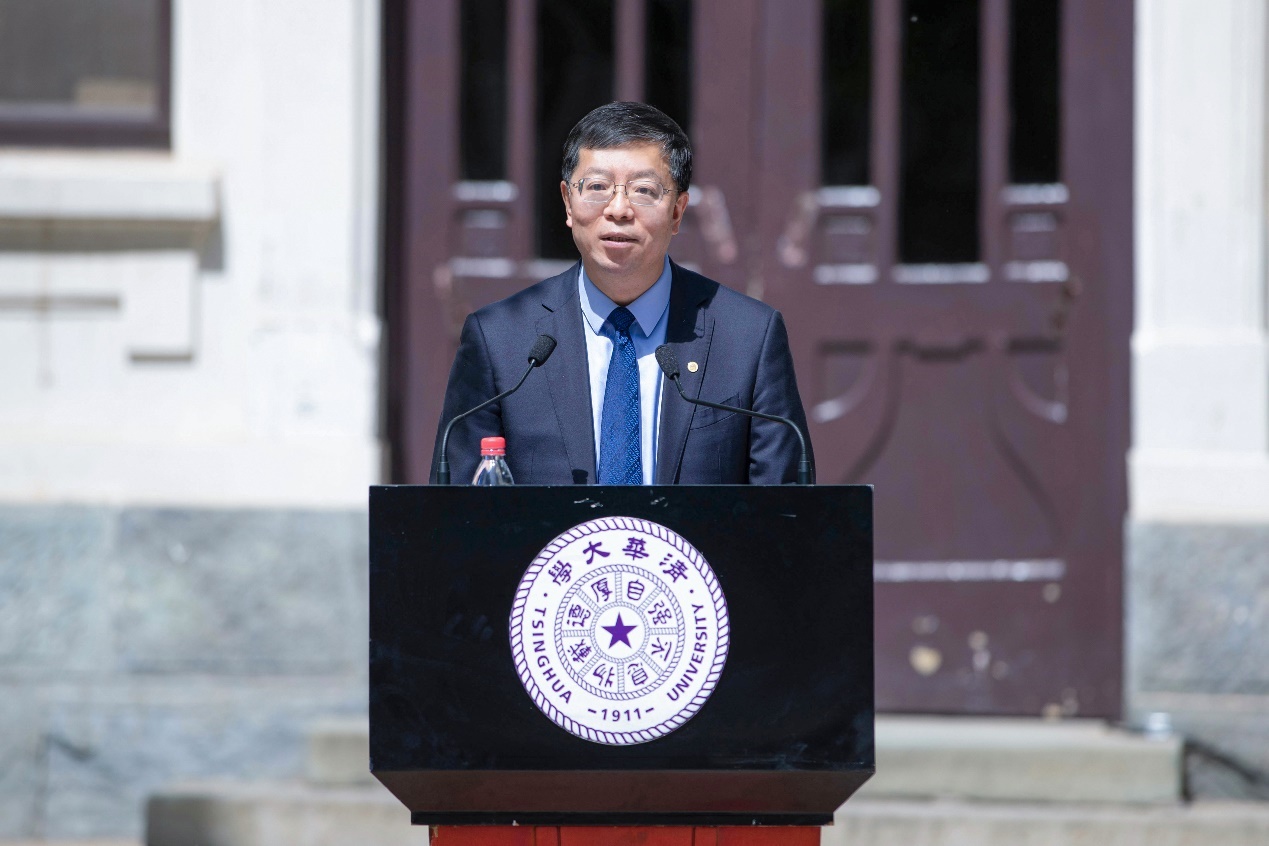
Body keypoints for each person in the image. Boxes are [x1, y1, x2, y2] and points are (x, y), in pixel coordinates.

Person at [430, 101, 812, 485]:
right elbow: (457, 509)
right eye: (597, 187)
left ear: (677, 211)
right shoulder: (499, 340)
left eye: (644, 190)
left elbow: (785, 509)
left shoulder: (748, 337)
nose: (618, 209)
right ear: (568, 202)